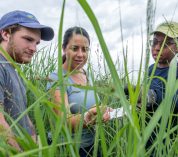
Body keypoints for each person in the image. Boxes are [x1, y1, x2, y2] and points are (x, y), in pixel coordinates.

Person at [47, 26, 110, 157]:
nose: (80, 54)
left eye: (85, 49)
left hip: (92, 145)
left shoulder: (87, 75)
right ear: (64, 49)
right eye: (75, 48)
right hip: (68, 149)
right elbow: (63, 121)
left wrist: (103, 110)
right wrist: (88, 117)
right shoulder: (56, 78)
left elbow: (92, 106)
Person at [0, 10, 54, 150]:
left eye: (37, 43)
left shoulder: (16, 71)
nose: (34, 48)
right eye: (28, 39)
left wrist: (35, 146)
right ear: (6, 34)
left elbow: (23, 115)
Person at [146, 21, 178, 155]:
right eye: (154, 42)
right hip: (149, 139)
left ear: (176, 47)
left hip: (170, 142)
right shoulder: (150, 70)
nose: (157, 48)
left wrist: (153, 97)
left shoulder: (175, 71)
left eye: (164, 43)